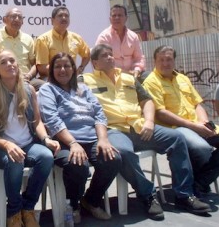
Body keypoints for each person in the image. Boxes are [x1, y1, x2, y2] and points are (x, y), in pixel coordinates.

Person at [80, 44, 211, 214]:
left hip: (140, 126)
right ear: (95, 63)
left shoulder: (128, 78)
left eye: (111, 54)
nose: (111, 58)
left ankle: (184, 195)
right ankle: (147, 195)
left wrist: (149, 121)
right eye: (105, 56)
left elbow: (147, 101)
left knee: (177, 138)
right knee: (122, 153)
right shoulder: (85, 81)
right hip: (114, 130)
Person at [38, 53, 164, 222]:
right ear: (52, 71)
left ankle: (91, 200)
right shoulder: (48, 90)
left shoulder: (84, 89)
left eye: (67, 66)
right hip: (64, 141)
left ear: (73, 69)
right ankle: (73, 205)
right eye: (57, 66)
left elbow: (99, 114)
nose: (62, 70)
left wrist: (103, 140)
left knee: (113, 158)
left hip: (91, 139)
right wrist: (73, 143)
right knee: (78, 164)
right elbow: (52, 120)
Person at [0, 50, 60, 227]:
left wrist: (46, 138)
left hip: (27, 143)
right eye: (4, 62)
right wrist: (8, 145)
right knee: (15, 160)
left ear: (18, 65)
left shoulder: (28, 90)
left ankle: (28, 207)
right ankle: (14, 212)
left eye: (12, 61)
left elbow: (37, 122)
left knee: (46, 156)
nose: (10, 64)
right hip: (1, 148)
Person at [143, 45, 219, 196]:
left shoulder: (183, 78)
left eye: (169, 60)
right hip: (176, 128)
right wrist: (194, 126)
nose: (165, 63)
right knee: (202, 149)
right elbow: (160, 113)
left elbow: (197, 103)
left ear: (174, 61)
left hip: (196, 124)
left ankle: (200, 181)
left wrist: (204, 122)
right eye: (161, 60)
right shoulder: (151, 82)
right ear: (154, 61)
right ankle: (196, 183)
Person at [0, 8, 43, 90]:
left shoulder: (28, 38)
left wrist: (29, 75)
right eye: (13, 16)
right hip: (3, 78)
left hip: (25, 78)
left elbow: (35, 64)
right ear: (5, 20)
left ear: (22, 22)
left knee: (45, 87)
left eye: (20, 17)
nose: (17, 19)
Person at [35, 6, 90, 79]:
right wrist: (62, 77)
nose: (64, 18)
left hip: (72, 78)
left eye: (66, 16)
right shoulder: (43, 39)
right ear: (52, 20)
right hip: (51, 79)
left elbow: (87, 54)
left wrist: (81, 68)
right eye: (60, 16)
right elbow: (42, 68)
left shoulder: (76, 38)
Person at [95, 4, 145, 80]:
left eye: (120, 15)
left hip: (133, 74)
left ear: (126, 18)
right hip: (111, 76)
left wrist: (137, 70)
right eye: (114, 16)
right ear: (110, 19)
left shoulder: (133, 36)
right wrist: (124, 73)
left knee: (148, 76)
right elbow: (101, 62)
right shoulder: (104, 37)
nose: (117, 18)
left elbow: (139, 58)